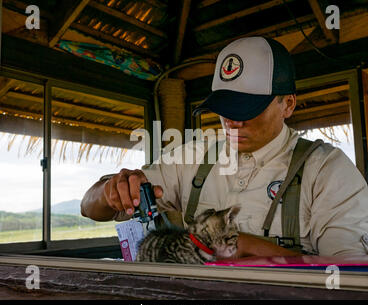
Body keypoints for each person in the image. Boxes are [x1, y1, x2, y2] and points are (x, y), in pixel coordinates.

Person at [81, 36, 368, 258]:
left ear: (288, 104)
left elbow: (347, 277)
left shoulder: (327, 171)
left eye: (247, 108)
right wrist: (110, 191)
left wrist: (257, 252)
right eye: (225, 108)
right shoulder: (195, 158)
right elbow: (89, 207)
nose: (233, 122)